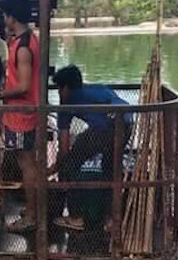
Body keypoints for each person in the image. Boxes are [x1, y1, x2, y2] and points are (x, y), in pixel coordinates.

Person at [49, 65, 133, 231]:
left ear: (66, 88)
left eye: (59, 89)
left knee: (70, 164)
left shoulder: (66, 104)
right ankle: (112, 219)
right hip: (127, 122)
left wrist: (57, 166)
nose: (59, 94)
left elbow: (64, 147)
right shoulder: (96, 89)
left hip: (106, 128)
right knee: (111, 169)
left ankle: (76, 217)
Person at [0, 0, 42, 233]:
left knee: (27, 163)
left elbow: (23, 85)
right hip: (20, 112)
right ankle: (32, 209)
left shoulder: (23, 47)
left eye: (5, 15)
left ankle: (31, 214)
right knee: (27, 161)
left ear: (11, 17)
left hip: (22, 114)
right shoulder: (24, 40)